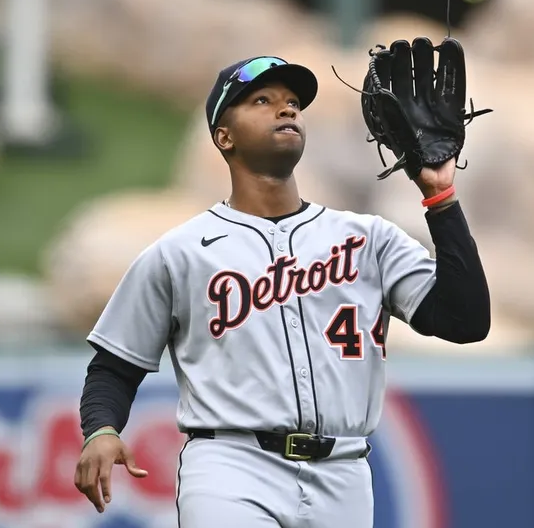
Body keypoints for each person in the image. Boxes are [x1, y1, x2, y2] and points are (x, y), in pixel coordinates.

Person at [73, 54, 492, 527]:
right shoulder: (181, 252)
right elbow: (115, 365)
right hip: (232, 466)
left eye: (293, 101)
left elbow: (465, 321)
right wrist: (101, 429)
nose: (287, 108)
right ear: (224, 136)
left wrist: (440, 194)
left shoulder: (370, 239)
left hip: (344, 471)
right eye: (262, 100)